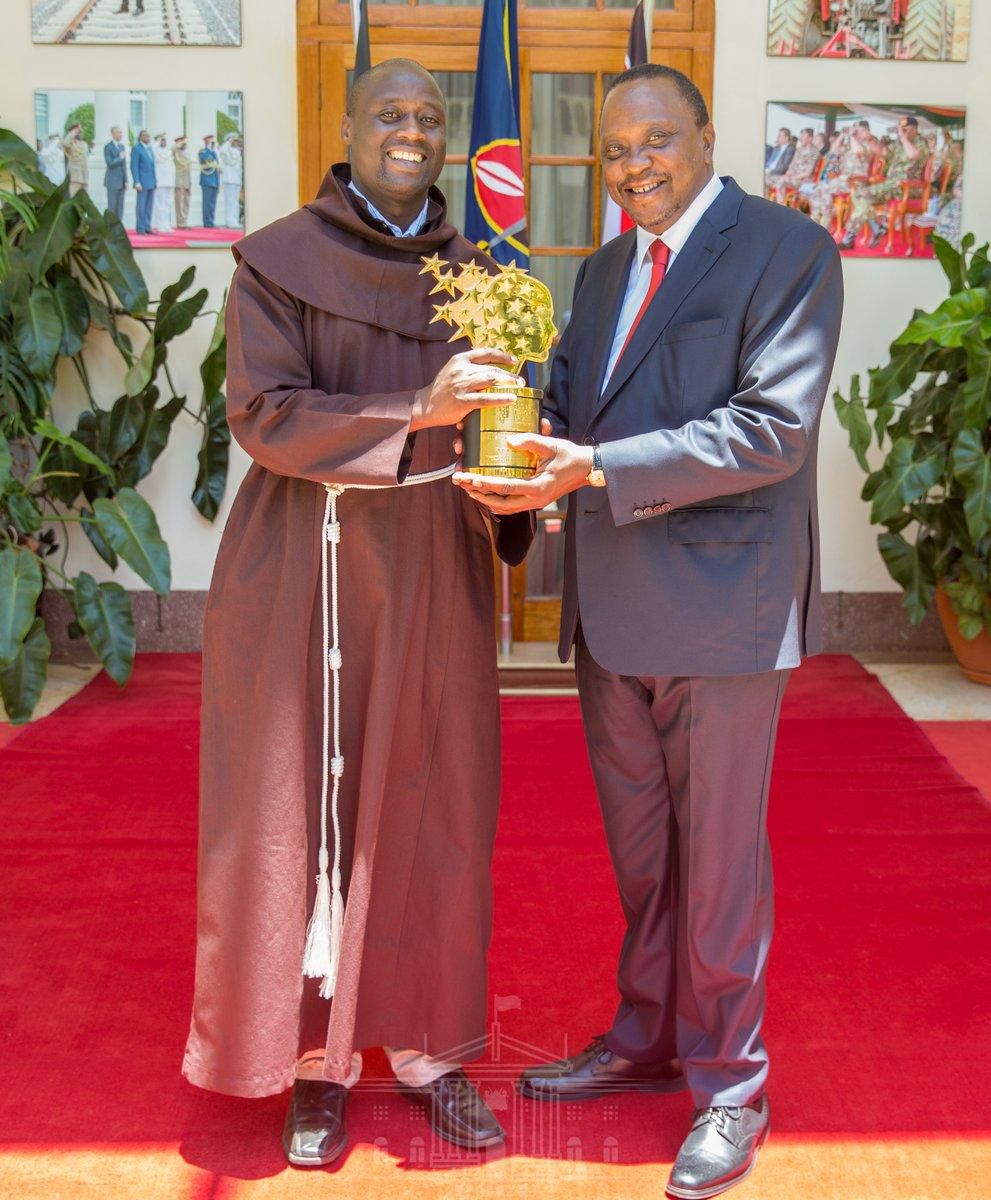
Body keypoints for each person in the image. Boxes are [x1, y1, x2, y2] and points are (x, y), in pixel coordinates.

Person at [455, 62, 843, 1200]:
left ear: (704, 135)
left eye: (656, 141)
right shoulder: (604, 266)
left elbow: (771, 429)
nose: (633, 165)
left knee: (718, 865)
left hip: (724, 615)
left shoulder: (786, 253)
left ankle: (730, 1085)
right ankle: (646, 1037)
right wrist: (512, 450)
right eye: (617, 148)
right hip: (613, 614)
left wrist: (592, 468)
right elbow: (572, 406)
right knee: (644, 859)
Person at [181, 58, 533, 1168]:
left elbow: (501, 413)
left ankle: (429, 1051)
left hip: (432, 556)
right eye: (391, 113)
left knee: (435, 800)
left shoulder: (478, 269)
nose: (414, 132)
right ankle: (315, 1068)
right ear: (347, 128)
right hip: (305, 565)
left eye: (430, 119)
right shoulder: (277, 261)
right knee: (303, 810)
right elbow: (265, 411)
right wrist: (413, 408)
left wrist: (519, 476)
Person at [843, 114, 925, 250]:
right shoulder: (898, 144)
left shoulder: (920, 142)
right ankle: (870, 230)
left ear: (914, 130)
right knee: (860, 195)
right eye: (902, 129)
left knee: (862, 194)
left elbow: (913, 155)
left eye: (907, 129)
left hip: (907, 187)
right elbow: (882, 152)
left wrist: (903, 137)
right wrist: (870, 139)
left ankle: (853, 237)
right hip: (891, 185)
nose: (903, 132)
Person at [768, 126, 818, 204]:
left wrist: (792, 177)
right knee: (768, 178)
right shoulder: (799, 149)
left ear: (810, 138)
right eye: (801, 136)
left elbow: (808, 173)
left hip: (803, 181)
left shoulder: (814, 151)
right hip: (791, 178)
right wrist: (787, 174)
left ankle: (781, 207)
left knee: (781, 181)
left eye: (803, 136)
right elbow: (792, 165)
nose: (801, 138)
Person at [130, 129, 156, 235]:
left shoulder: (150, 149)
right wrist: (136, 181)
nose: (147, 138)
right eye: (145, 136)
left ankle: (147, 226)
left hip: (151, 182)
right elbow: (134, 166)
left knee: (149, 206)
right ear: (140, 137)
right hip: (142, 182)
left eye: (148, 136)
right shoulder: (136, 148)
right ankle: (140, 227)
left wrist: (155, 181)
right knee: (141, 206)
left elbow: (152, 166)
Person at [151, 133, 176, 234]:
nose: (163, 142)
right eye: (161, 140)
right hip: (160, 182)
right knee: (160, 205)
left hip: (169, 182)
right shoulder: (155, 151)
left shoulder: (168, 152)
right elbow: (153, 148)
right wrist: (157, 140)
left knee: (168, 204)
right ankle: (160, 225)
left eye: (164, 140)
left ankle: (166, 225)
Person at [218, 132, 243, 228]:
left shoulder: (236, 151)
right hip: (229, 179)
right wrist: (229, 142)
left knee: (235, 202)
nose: (235, 142)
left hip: (236, 179)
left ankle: (235, 220)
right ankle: (229, 220)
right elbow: (223, 150)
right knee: (230, 201)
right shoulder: (226, 150)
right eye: (233, 140)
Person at [103, 125, 128, 221]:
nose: (121, 135)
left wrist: (126, 180)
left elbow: (124, 165)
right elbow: (109, 163)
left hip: (121, 181)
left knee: (120, 207)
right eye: (119, 133)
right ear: (113, 134)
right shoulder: (108, 147)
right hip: (112, 181)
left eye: (121, 133)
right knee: (112, 206)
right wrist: (120, 158)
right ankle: (110, 228)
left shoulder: (122, 146)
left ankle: (118, 227)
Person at [763, 126, 794, 192]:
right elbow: (769, 161)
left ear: (786, 137)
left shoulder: (790, 149)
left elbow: (784, 166)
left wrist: (770, 172)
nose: (777, 137)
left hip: (777, 174)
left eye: (780, 136)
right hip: (767, 171)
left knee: (761, 180)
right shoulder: (776, 148)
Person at [198, 134, 219, 227]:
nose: (212, 143)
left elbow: (216, 167)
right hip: (207, 180)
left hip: (214, 180)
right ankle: (207, 222)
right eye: (211, 141)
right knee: (207, 203)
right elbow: (205, 161)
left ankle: (211, 221)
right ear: (206, 142)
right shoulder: (203, 151)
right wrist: (209, 149)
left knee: (212, 203)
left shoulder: (214, 152)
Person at [63, 123, 89, 196]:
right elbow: (65, 143)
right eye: (79, 131)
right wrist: (72, 133)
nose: (81, 132)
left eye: (81, 131)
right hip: (75, 177)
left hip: (84, 176)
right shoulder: (70, 144)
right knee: (74, 199)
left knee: (84, 200)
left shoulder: (84, 144)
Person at [173, 135, 192, 228]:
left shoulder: (187, 153)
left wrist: (190, 183)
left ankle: (184, 221)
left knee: (186, 203)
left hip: (187, 181)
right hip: (179, 181)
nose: (184, 144)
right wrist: (178, 146)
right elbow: (172, 149)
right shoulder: (176, 152)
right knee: (179, 203)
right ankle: (180, 223)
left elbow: (188, 167)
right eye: (182, 142)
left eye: (185, 142)